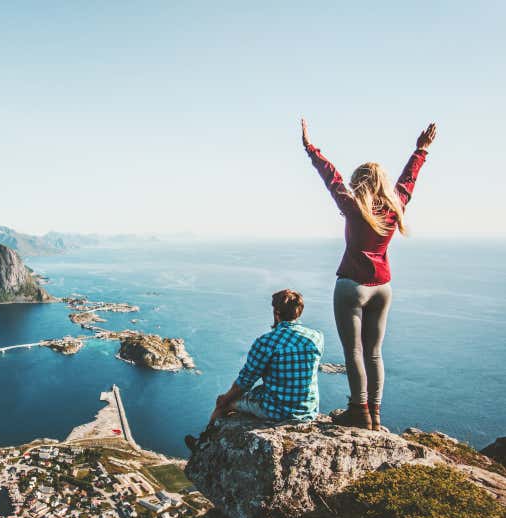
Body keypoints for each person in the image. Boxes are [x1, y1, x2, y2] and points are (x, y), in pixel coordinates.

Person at [301, 119, 437, 430]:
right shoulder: (395, 207)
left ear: (359, 182)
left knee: (354, 352)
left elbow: (330, 176)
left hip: (352, 286)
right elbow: (408, 180)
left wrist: (311, 148)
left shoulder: (352, 206)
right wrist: (421, 149)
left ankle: (358, 411)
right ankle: (375, 414)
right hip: (383, 287)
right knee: (375, 353)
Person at [185, 290, 323, 451]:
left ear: (276, 312)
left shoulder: (266, 342)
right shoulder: (317, 337)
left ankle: (202, 445)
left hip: (277, 410)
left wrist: (225, 399)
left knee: (223, 404)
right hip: (307, 409)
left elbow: (245, 381)